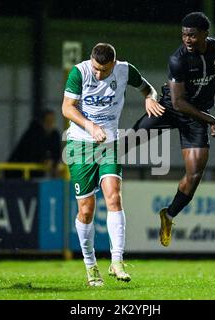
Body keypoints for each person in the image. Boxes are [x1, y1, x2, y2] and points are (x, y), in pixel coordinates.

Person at [62, 43, 165, 286]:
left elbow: (148, 89)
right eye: (96, 69)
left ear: (114, 64)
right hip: (80, 145)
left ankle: (117, 261)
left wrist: (150, 99)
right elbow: (67, 108)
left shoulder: (125, 70)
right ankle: (91, 266)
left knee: (114, 198)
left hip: (109, 143)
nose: (98, 75)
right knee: (86, 211)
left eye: (104, 71)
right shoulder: (80, 72)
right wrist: (91, 126)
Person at [130, 12, 215, 247]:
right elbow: (179, 102)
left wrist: (204, 116)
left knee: (194, 175)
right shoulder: (178, 60)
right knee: (131, 140)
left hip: (195, 118)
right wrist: (211, 120)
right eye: (184, 35)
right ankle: (94, 161)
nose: (187, 40)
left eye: (192, 35)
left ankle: (169, 215)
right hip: (171, 108)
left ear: (205, 34)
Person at [6, 109, 61, 178]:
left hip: (34, 174)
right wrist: (44, 159)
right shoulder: (33, 133)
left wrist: (54, 162)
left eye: (52, 121)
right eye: (48, 121)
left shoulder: (54, 134)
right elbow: (33, 151)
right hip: (17, 172)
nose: (50, 124)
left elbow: (56, 152)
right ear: (42, 122)